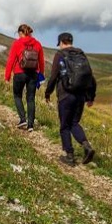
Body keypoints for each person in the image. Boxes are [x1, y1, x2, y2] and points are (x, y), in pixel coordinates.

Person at [44, 32, 96, 166]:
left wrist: (48, 92)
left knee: (64, 126)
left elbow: (54, 75)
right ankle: (87, 146)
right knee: (74, 123)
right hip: (80, 96)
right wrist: (90, 96)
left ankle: (70, 156)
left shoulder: (60, 55)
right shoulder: (81, 54)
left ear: (61, 42)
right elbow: (90, 77)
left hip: (65, 95)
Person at [4, 24, 45, 131]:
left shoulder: (17, 43)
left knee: (17, 96)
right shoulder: (38, 44)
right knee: (30, 98)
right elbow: (41, 62)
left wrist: (7, 76)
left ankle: (23, 119)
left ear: (21, 33)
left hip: (19, 73)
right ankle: (31, 125)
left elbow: (11, 61)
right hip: (33, 74)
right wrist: (41, 75)